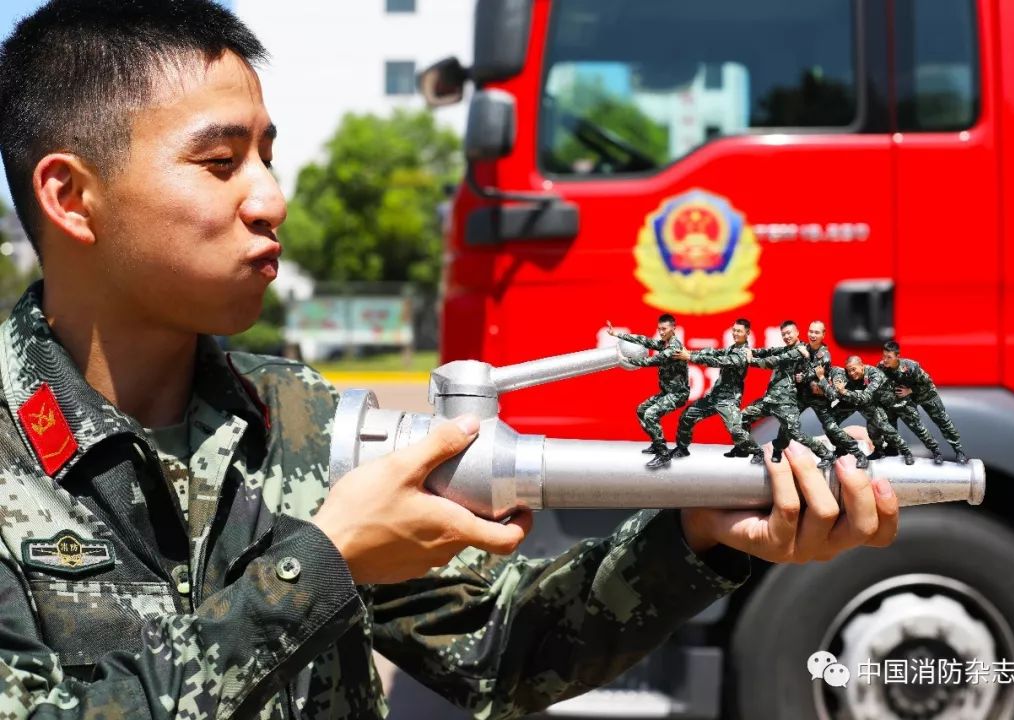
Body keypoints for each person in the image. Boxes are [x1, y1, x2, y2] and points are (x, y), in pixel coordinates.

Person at [0, 2, 899, 717]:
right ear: (71, 196)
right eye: (221, 162)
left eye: (268, 156)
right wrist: (322, 567)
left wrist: (696, 538)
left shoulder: (300, 422)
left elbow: (506, 648)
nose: (271, 198)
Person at [741, 321, 836, 469]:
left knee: (794, 433)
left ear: (797, 332)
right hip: (770, 400)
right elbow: (770, 351)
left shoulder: (800, 350)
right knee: (742, 418)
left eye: (789, 333)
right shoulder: (787, 349)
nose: (786, 336)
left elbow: (773, 361)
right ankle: (757, 452)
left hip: (786, 402)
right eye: (783, 334)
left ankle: (826, 454)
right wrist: (750, 351)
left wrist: (750, 360)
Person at [671, 318, 762, 463]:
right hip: (714, 397)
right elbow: (714, 353)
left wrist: (690, 357)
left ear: (747, 333)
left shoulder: (744, 353)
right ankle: (682, 448)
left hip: (728, 400)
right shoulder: (731, 348)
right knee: (687, 416)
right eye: (734, 330)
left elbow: (719, 361)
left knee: (736, 431)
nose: (735, 333)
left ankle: (758, 452)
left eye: (739, 331)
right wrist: (691, 352)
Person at [607, 315, 690, 468]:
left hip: (678, 394)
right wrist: (616, 334)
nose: (661, 332)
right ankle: (657, 443)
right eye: (659, 329)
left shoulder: (674, 347)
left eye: (664, 329)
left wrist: (625, 360)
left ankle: (663, 454)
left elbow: (652, 361)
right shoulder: (664, 343)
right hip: (667, 392)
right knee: (641, 410)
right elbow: (644, 340)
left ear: (673, 329)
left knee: (651, 415)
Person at [795, 320, 870, 469]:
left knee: (831, 428)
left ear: (823, 335)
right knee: (792, 422)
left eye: (817, 332)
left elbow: (825, 387)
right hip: (811, 396)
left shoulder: (829, 364)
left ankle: (859, 454)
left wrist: (812, 378)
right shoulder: (804, 349)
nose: (813, 335)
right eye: (811, 331)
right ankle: (834, 452)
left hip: (835, 399)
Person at [879, 341, 967, 464]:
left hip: (926, 395)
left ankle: (958, 450)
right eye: (884, 356)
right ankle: (893, 449)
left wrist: (910, 390)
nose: (885, 360)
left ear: (897, 356)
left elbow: (927, 382)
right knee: (908, 423)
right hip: (907, 399)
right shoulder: (882, 367)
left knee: (943, 422)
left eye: (889, 357)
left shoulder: (911, 367)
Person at [826, 356, 917, 465]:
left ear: (861, 366)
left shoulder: (874, 374)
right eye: (849, 370)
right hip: (851, 401)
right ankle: (844, 446)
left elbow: (866, 397)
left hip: (869, 402)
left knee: (880, 427)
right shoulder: (845, 374)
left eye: (854, 369)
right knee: (829, 422)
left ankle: (905, 451)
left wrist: (844, 391)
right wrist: (835, 384)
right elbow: (836, 372)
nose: (851, 373)